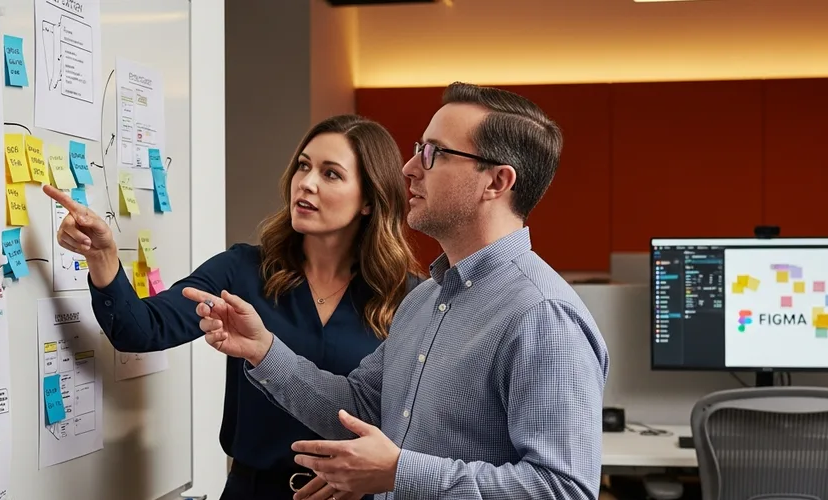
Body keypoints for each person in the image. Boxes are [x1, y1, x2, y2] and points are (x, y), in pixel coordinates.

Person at [183, 82, 611, 500]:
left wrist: (399, 473)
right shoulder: (424, 301)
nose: (409, 168)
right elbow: (360, 407)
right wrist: (264, 350)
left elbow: (563, 488)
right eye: (417, 147)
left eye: (433, 153)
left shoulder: (543, 315)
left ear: (497, 182)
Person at [43, 114, 423, 500]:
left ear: (369, 201)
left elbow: (424, 420)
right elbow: (139, 329)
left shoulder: (411, 298)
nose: (306, 183)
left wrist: (375, 476)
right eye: (304, 166)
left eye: (331, 174)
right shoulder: (242, 271)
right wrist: (104, 257)